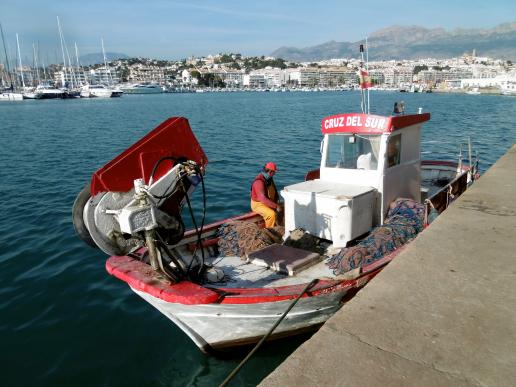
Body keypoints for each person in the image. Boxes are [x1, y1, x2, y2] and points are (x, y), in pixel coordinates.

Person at [250, 162, 281, 228]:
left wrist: (276, 202)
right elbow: (262, 199)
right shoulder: (259, 182)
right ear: (270, 171)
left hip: (268, 201)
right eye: (274, 172)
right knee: (271, 214)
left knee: (283, 207)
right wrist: (276, 206)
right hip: (258, 204)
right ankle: (270, 231)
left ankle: (277, 225)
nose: (275, 174)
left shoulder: (269, 178)